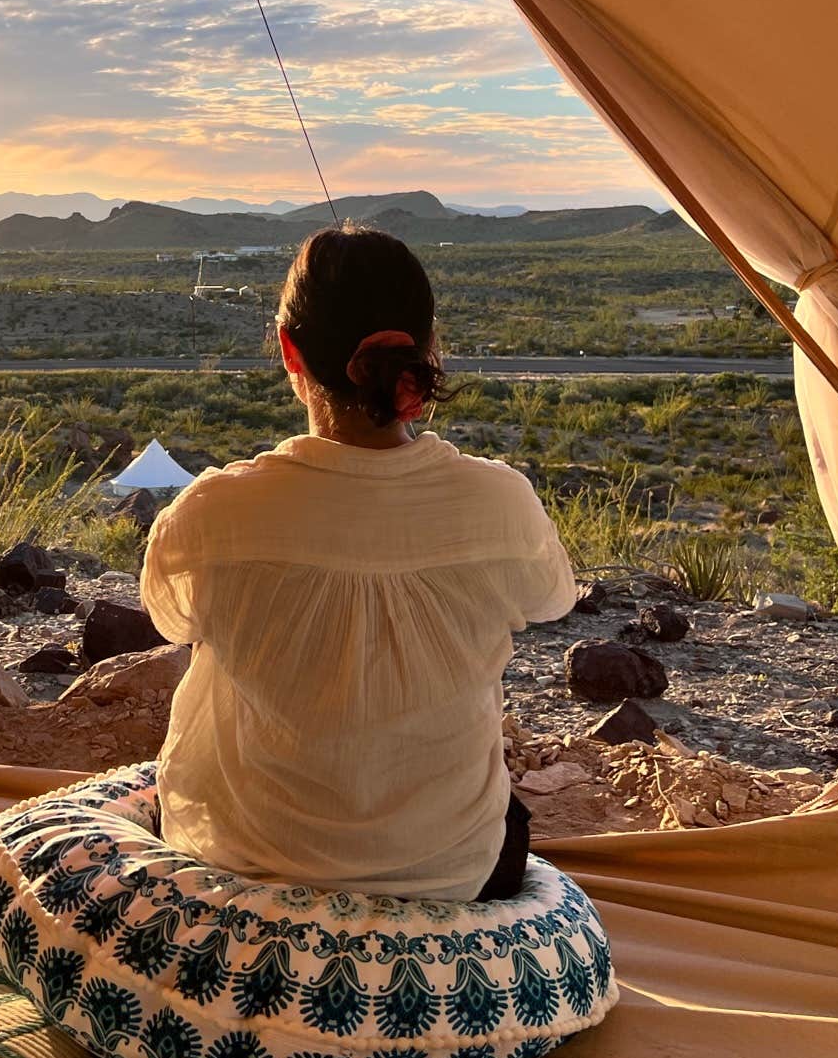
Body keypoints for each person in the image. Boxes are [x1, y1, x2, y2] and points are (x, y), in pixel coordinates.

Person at [140, 222, 576, 902]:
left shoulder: (210, 514)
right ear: (427, 351)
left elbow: (169, 617)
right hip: (455, 871)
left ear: (290, 349)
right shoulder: (502, 504)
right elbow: (553, 598)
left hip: (243, 859)